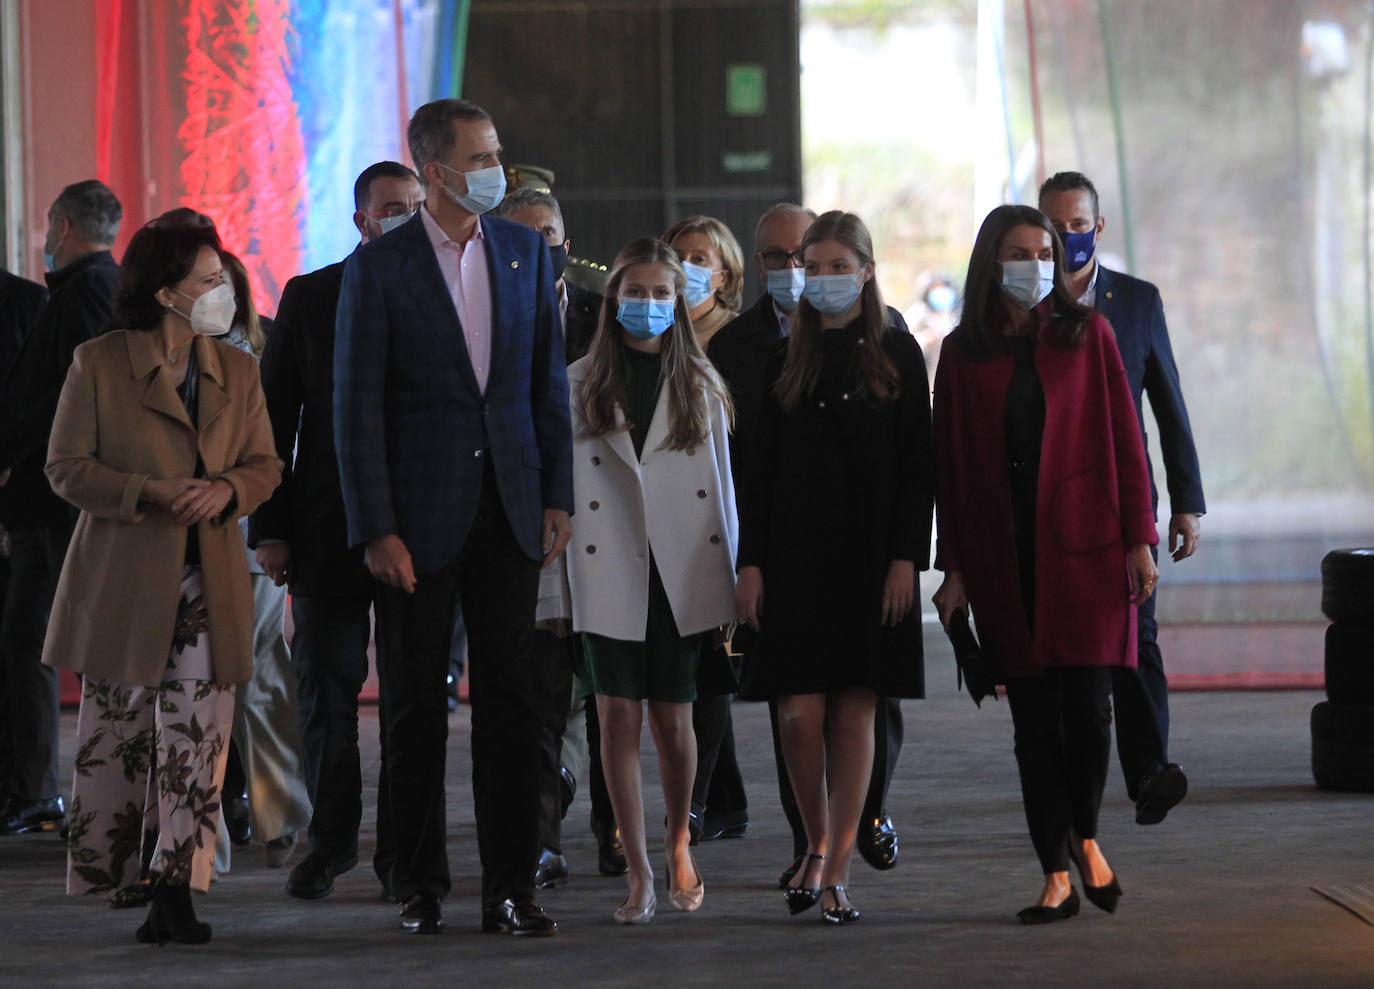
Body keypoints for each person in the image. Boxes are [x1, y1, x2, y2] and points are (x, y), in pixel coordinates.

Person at [333, 98, 572, 937]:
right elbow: (354, 409)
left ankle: (511, 886)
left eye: (497, 153)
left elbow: (547, 386)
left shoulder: (521, 254)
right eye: (481, 157)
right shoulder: (382, 267)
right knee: (412, 708)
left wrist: (557, 495)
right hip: (415, 523)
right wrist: (376, 527)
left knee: (511, 703)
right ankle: (421, 883)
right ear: (436, 172)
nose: (495, 169)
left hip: (510, 509)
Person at [42, 213, 281, 943]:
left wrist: (228, 491)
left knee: (198, 743)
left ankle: (177, 887)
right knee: (120, 740)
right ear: (165, 291)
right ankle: (128, 876)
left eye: (221, 279)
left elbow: (266, 464)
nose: (222, 293)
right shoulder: (99, 362)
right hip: (123, 581)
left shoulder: (236, 368)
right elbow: (66, 468)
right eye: (207, 281)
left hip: (208, 584)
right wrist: (146, 489)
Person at [931, 203, 1158, 924]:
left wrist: (1139, 535)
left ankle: (1086, 833)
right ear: (991, 262)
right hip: (1005, 556)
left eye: (1043, 251)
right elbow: (952, 467)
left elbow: (1126, 436)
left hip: (1085, 548)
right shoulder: (963, 354)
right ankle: (1056, 870)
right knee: (1034, 722)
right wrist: (954, 566)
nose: (1033, 264)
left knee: (1090, 711)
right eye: (1018, 251)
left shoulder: (1088, 333)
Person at [735, 210, 934, 926]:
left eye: (834, 267)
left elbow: (920, 469)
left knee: (856, 711)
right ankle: (816, 841)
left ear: (868, 271)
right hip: (792, 559)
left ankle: (836, 866)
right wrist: (750, 562)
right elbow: (758, 474)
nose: (818, 280)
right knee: (796, 713)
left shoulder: (897, 353)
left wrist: (908, 558)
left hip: (873, 559)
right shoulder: (783, 357)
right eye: (809, 267)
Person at [251, 161, 422, 902]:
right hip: (325, 528)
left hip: (422, 530)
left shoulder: (445, 296)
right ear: (361, 220)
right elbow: (273, 420)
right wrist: (272, 529)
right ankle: (330, 842)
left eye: (417, 206)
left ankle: (402, 853)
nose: (407, 218)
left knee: (414, 699)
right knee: (326, 690)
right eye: (392, 208)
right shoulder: (312, 296)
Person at [566, 237, 736, 925]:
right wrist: (557, 589)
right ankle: (635, 865)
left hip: (679, 567)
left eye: (661, 293)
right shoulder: (577, 381)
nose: (647, 304)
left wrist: (729, 587)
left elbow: (723, 492)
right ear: (613, 302)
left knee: (674, 717)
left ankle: (678, 840)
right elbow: (565, 494)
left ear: (680, 301)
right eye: (634, 292)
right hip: (605, 564)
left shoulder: (701, 384)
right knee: (615, 716)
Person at [1038, 171, 1204, 825]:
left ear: (1098, 228)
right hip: (1048, 504)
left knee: (1140, 633)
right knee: (1059, 648)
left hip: (1123, 501)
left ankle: (1149, 772)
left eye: (1078, 225)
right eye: (1054, 227)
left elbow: (1168, 404)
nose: (1066, 237)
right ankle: (1061, 772)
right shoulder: (1023, 304)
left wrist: (1187, 501)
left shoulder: (1136, 301)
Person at [493, 185, 614, 889]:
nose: (543, 245)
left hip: (606, 533)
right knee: (539, 698)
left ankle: (614, 831)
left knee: (607, 701)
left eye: (553, 232)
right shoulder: (485, 317)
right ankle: (542, 837)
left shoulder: (605, 315)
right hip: (527, 536)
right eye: (527, 233)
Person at [0, 180, 122, 836]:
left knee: (59, 642)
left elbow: (74, 396)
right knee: (30, 639)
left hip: (61, 502)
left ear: (66, 225)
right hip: (47, 504)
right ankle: (39, 789)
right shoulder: (83, 288)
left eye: (50, 222)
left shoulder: (91, 288)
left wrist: (10, 445)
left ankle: (83, 790)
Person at [214, 250, 311, 875]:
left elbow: (283, 445)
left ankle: (280, 815)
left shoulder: (265, 345)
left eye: (217, 283)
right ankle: (196, 829)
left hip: (248, 536)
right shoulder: (138, 355)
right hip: (172, 539)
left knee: (259, 679)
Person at [662, 215, 743, 350]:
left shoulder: (742, 333)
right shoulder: (653, 328)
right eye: (677, 257)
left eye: (699, 259)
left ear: (723, 277)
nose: (684, 266)